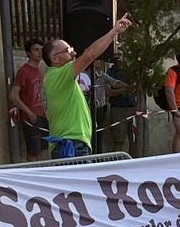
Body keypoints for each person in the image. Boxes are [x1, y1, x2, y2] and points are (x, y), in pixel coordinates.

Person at [43, 15, 132, 159]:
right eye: (68, 50)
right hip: (70, 146)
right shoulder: (57, 75)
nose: (73, 52)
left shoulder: (54, 78)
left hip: (70, 145)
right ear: (55, 59)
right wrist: (114, 32)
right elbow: (88, 55)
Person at [8, 38, 47, 161]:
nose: (39, 52)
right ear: (28, 53)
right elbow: (13, 95)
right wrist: (29, 113)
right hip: (31, 118)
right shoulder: (23, 71)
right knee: (33, 152)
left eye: (41, 50)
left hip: (43, 115)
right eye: (36, 50)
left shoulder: (40, 71)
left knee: (41, 150)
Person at [104, 59, 139, 156]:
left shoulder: (131, 72)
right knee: (118, 141)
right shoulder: (109, 73)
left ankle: (135, 165)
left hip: (133, 108)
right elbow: (108, 92)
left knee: (134, 140)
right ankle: (116, 165)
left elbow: (137, 89)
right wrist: (125, 89)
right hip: (118, 109)